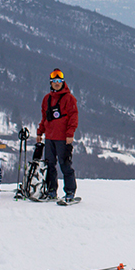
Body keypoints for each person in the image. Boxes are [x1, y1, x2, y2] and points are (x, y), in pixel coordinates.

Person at [37, 68, 78, 202]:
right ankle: (51, 190)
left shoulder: (69, 99)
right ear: (51, 82)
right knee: (49, 165)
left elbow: (73, 117)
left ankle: (70, 191)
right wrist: (40, 132)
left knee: (65, 164)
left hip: (63, 138)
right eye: (54, 81)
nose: (56, 83)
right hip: (50, 137)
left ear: (63, 82)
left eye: (59, 81)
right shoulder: (47, 99)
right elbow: (45, 117)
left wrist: (70, 134)